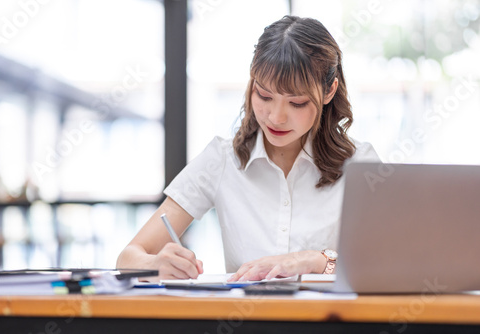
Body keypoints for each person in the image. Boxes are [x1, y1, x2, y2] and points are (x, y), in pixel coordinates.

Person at [116, 15, 379, 282]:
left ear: (329, 91)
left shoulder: (360, 165)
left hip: (330, 322)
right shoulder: (221, 160)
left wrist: (314, 261)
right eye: (264, 96)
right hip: (245, 321)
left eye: (296, 102)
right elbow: (128, 257)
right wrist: (156, 264)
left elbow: (383, 263)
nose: (276, 117)